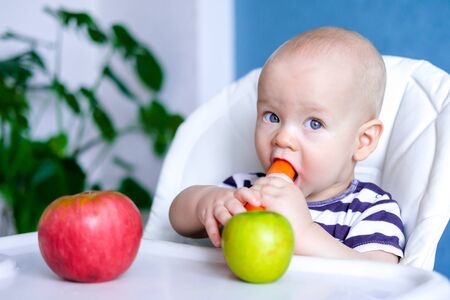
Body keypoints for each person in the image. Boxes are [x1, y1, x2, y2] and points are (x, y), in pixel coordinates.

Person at [169, 27, 405, 263]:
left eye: (314, 123)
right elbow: (177, 219)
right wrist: (207, 202)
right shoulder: (246, 192)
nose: (282, 138)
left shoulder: (371, 211)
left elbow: (382, 277)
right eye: (272, 117)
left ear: (362, 141)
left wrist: (303, 232)